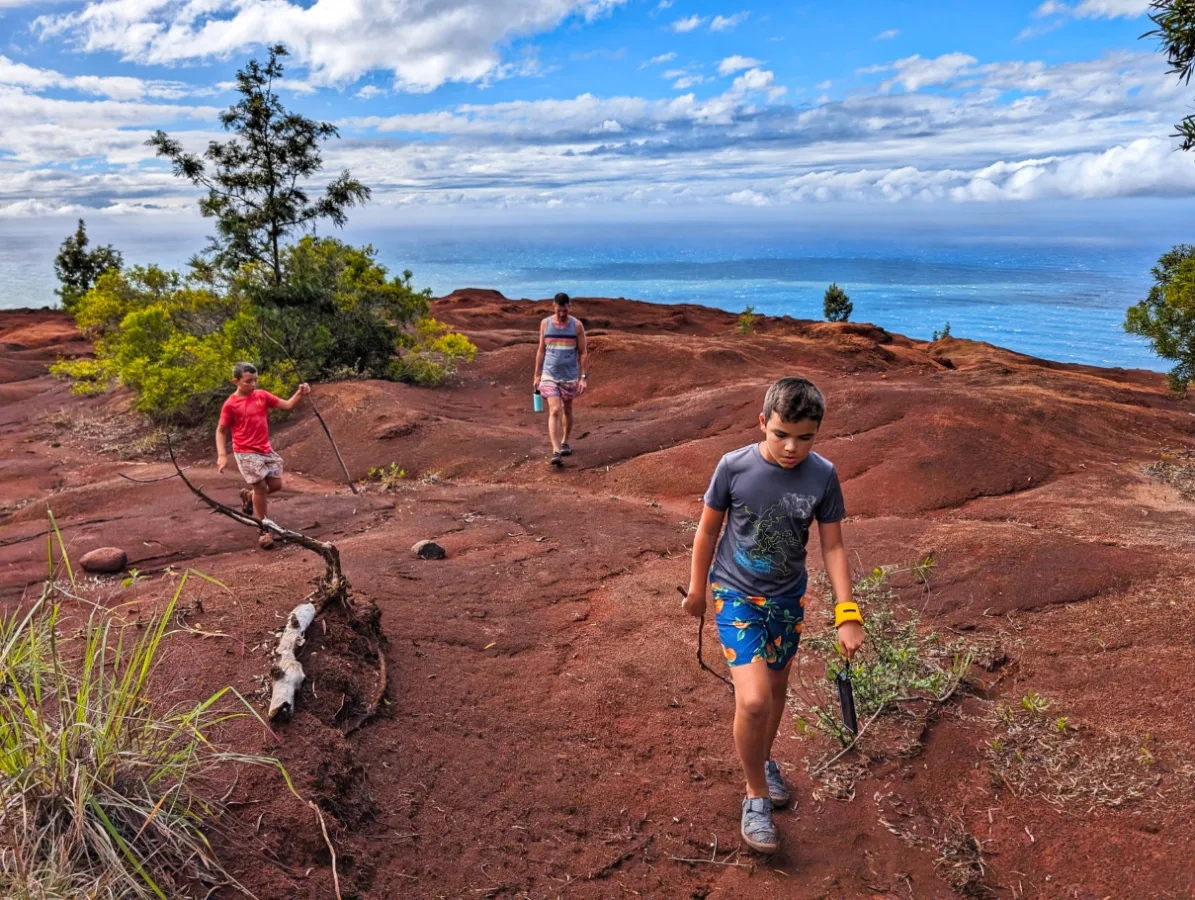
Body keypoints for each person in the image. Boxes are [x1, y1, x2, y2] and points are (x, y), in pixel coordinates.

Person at [681, 376, 865, 855]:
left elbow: (834, 545)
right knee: (756, 700)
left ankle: (762, 761)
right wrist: (698, 590)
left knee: (777, 689)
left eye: (806, 437)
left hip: (787, 600)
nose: (792, 447)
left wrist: (847, 612)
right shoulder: (733, 467)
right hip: (735, 594)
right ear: (763, 422)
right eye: (781, 433)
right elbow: (707, 532)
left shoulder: (822, 475)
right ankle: (756, 797)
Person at [215, 362, 310, 549]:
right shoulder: (230, 405)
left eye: (255, 380)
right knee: (260, 487)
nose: (253, 384)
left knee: (275, 485)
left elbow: (288, 405)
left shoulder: (262, 395)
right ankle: (264, 528)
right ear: (236, 381)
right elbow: (221, 431)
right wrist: (222, 455)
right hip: (245, 451)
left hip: (264, 449)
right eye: (248, 381)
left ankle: (249, 497)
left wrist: (300, 392)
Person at [532, 292, 588, 468]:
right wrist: (537, 375)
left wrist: (583, 377)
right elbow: (541, 350)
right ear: (553, 306)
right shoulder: (545, 324)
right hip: (549, 375)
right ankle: (556, 451)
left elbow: (583, 352)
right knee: (555, 410)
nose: (562, 314)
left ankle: (564, 441)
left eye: (565, 310)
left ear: (569, 307)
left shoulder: (577, 326)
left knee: (567, 409)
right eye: (559, 310)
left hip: (569, 375)